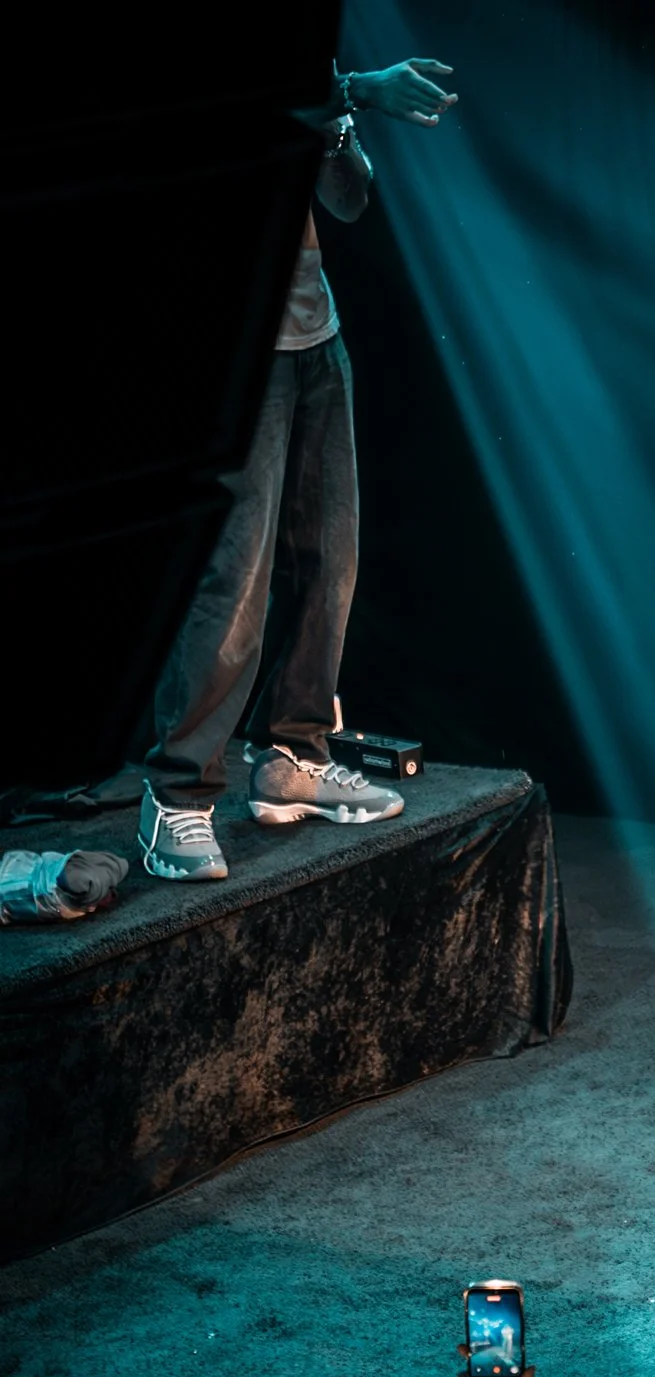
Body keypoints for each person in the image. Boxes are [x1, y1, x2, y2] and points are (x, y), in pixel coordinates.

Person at [136, 57, 460, 882]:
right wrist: (355, 89)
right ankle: (177, 792)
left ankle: (292, 754)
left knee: (330, 562)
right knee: (234, 576)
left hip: (316, 337)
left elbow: (348, 202)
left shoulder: (319, 73)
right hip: (234, 350)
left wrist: (342, 121)